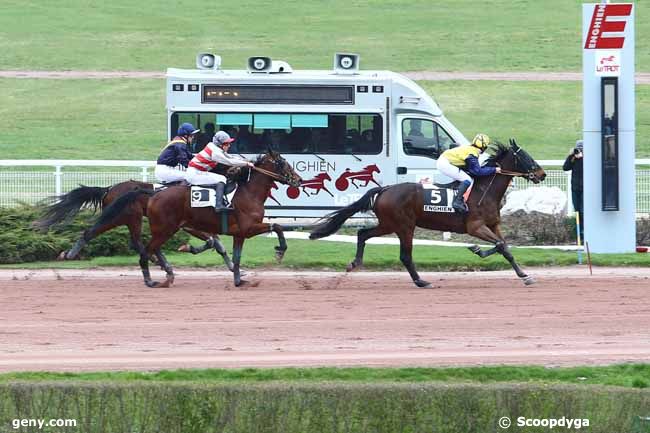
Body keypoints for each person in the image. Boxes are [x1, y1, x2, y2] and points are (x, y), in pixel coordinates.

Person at [187, 130, 254, 211]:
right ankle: (218, 205)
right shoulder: (215, 153)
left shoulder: (214, 147)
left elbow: (230, 157)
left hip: (198, 172)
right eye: (227, 144)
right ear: (220, 144)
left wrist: (247, 161)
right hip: (194, 174)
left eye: (229, 143)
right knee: (221, 179)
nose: (229, 146)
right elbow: (230, 162)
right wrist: (246, 164)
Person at [436, 133, 501, 214]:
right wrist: (494, 170)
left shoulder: (471, 149)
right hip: (445, 163)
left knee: (466, 177)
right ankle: (457, 202)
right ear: (484, 147)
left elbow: (473, 169)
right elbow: (477, 171)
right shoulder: (473, 153)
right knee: (467, 180)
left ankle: (457, 196)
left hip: (445, 160)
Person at [563, 140, 584, 242]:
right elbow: (565, 168)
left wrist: (583, 157)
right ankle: (578, 234)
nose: (579, 150)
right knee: (577, 211)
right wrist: (571, 156)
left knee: (583, 210)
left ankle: (584, 232)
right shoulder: (573, 158)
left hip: (585, 189)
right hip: (575, 189)